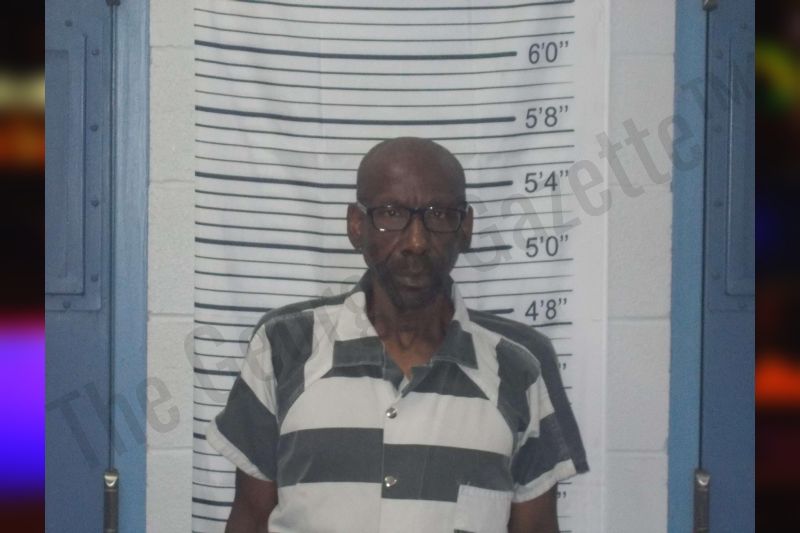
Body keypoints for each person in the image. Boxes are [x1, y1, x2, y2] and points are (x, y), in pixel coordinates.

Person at [206, 137, 588, 532]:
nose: (416, 242)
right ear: (356, 225)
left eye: (439, 214)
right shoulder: (284, 346)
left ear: (465, 228)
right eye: (391, 213)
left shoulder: (519, 365)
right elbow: (250, 517)